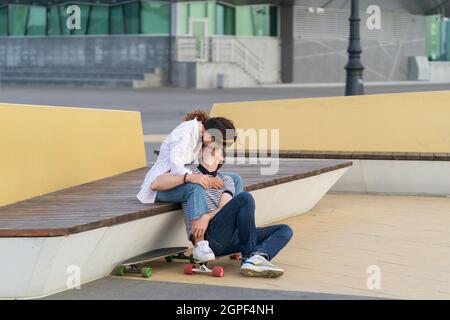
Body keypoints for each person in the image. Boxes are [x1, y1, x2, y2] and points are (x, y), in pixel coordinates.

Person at [151, 140, 293, 278]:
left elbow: (224, 207)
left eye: (216, 149)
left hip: (229, 237)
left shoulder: (227, 180)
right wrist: (188, 178)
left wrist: (207, 217)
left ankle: (258, 256)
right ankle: (249, 257)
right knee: (245, 198)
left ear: (222, 158)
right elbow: (156, 183)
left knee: (285, 230)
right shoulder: (189, 173)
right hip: (208, 237)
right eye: (207, 147)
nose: (211, 150)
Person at [136, 110, 243, 258]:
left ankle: (234, 232)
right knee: (195, 186)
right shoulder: (185, 133)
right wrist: (199, 178)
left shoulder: (200, 135)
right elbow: (177, 169)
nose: (218, 148)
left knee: (234, 179)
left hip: (182, 181)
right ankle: (200, 244)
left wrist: (205, 176)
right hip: (163, 186)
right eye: (220, 143)